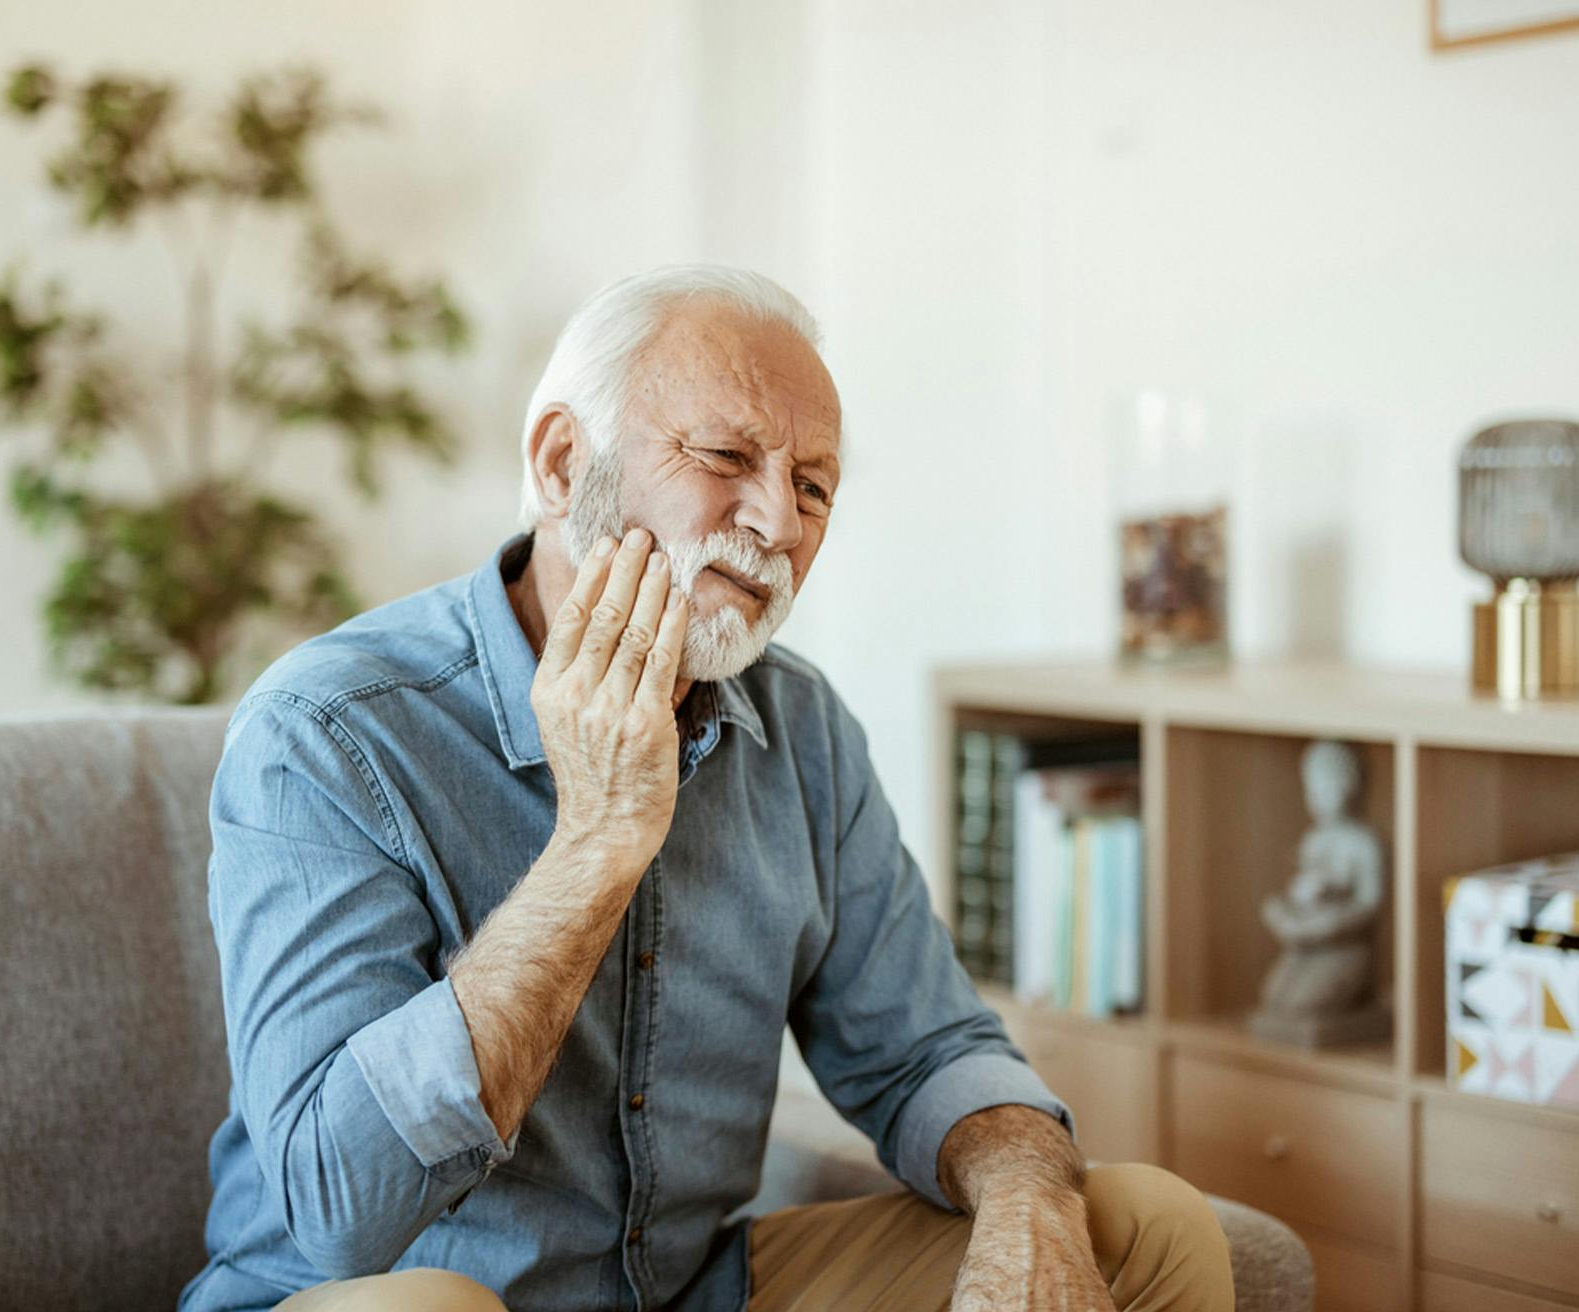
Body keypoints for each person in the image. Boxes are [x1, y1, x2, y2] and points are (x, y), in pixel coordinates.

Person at [179, 266, 1235, 1312]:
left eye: (813, 486)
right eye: (727, 456)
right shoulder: (328, 729)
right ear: (561, 464)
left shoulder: (803, 730)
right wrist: (596, 843)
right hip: (358, 1294)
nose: (778, 521)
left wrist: (1026, 1203)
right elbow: (337, 1208)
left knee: (1144, 1226)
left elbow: (930, 1049)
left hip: (689, 1294)